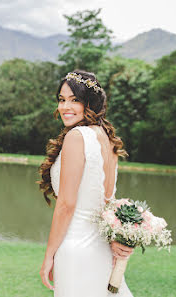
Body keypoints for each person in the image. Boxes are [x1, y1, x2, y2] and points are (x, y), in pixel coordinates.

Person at [37, 70, 134, 296]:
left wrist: (49, 254)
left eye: (74, 100)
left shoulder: (77, 137)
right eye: (61, 100)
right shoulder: (108, 139)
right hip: (101, 249)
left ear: (89, 102)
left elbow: (66, 205)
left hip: (76, 248)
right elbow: (105, 203)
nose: (64, 107)